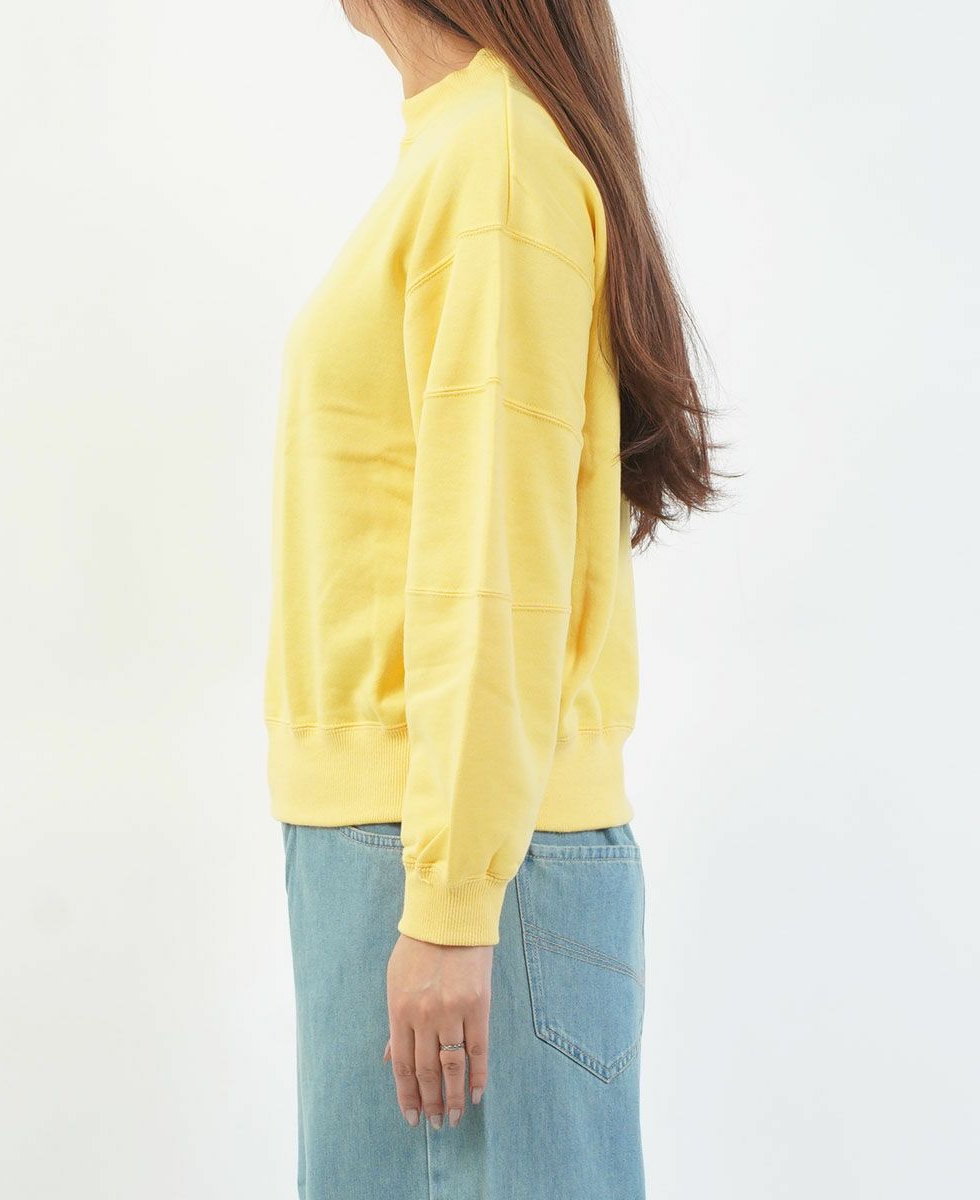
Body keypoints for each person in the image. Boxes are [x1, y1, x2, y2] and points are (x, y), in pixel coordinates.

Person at [264, 2, 714, 1196]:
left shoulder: (495, 158)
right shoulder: (462, 148)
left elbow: (493, 552)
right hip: (411, 846)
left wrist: (453, 901)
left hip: (455, 858)